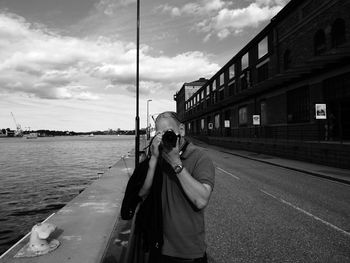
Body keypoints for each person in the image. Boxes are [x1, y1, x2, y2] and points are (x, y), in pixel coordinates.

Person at [137, 111, 215, 263]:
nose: (166, 138)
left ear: (182, 130)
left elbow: (201, 200)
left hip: (187, 253)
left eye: (168, 133)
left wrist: (175, 163)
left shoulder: (200, 157)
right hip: (158, 246)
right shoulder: (158, 157)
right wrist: (153, 159)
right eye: (160, 133)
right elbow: (142, 194)